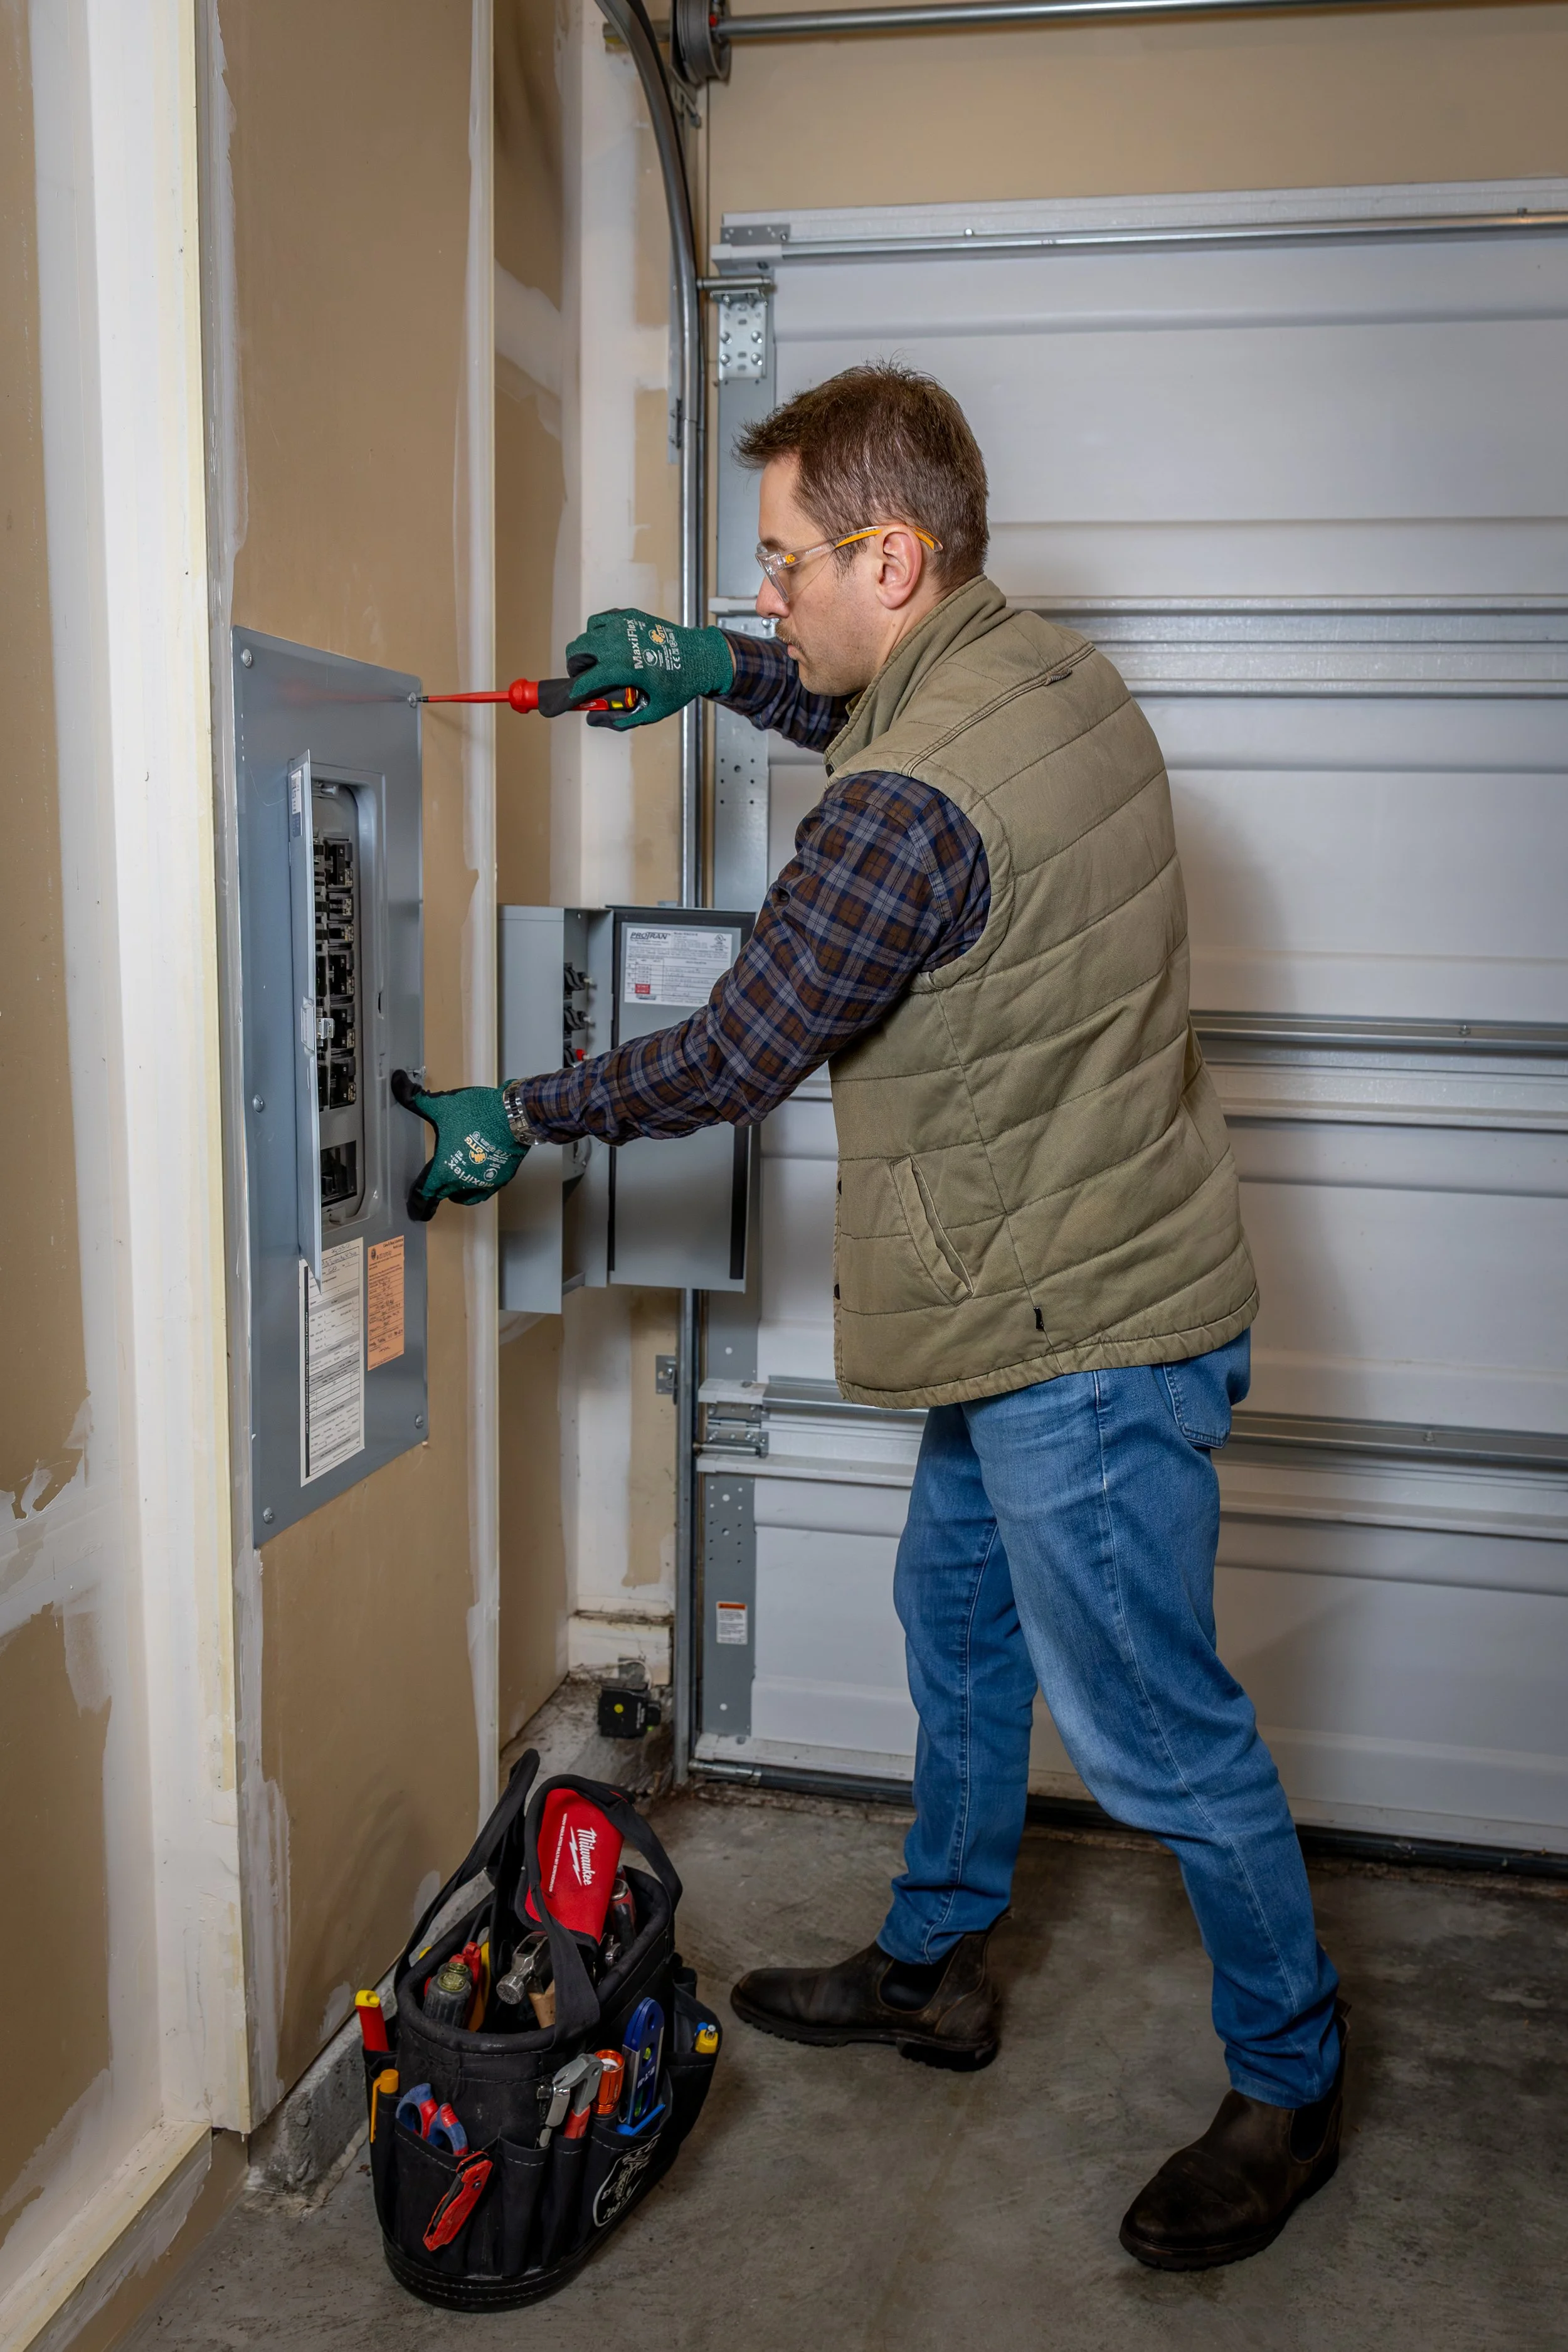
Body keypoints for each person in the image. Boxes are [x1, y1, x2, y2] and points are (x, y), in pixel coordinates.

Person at [396, 361, 1346, 2271]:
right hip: (1054, 1278)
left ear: (888, 553)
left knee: (1165, 1740)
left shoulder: (898, 813)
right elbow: (875, 708)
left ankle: (1291, 2073)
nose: (769, 607)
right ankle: (934, 1960)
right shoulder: (1045, 674)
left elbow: (743, 1048)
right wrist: (712, 677)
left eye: (779, 572)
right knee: (960, 1627)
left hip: (1077, 1334)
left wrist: (525, 1113)